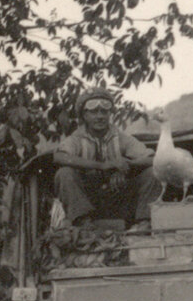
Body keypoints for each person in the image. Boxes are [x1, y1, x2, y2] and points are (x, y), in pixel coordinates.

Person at [52, 86, 159, 228]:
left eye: (104, 111)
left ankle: (143, 222)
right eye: (94, 112)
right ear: (84, 115)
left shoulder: (121, 137)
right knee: (64, 173)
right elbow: (59, 157)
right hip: (88, 200)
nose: (100, 116)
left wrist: (126, 164)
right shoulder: (77, 138)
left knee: (152, 172)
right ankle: (84, 223)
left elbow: (153, 159)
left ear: (110, 114)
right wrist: (102, 165)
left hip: (119, 198)